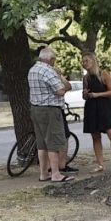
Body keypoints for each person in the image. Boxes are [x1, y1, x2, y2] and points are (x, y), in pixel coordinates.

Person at [27, 48, 73, 182]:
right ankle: (55, 174)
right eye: (54, 60)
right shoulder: (48, 70)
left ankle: (43, 173)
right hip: (50, 110)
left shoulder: (32, 70)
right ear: (51, 59)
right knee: (53, 142)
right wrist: (62, 80)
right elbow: (60, 91)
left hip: (36, 109)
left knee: (41, 144)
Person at [80, 53, 111, 172]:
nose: (84, 63)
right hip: (91, 107)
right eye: (83, 61)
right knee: (95, 136)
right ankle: (100, 164)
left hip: (104, 106)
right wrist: (85, 94)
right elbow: (84, 96)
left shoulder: (103, 74)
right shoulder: (86, 78)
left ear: (93, 61)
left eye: (86, 61)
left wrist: (97, 95)